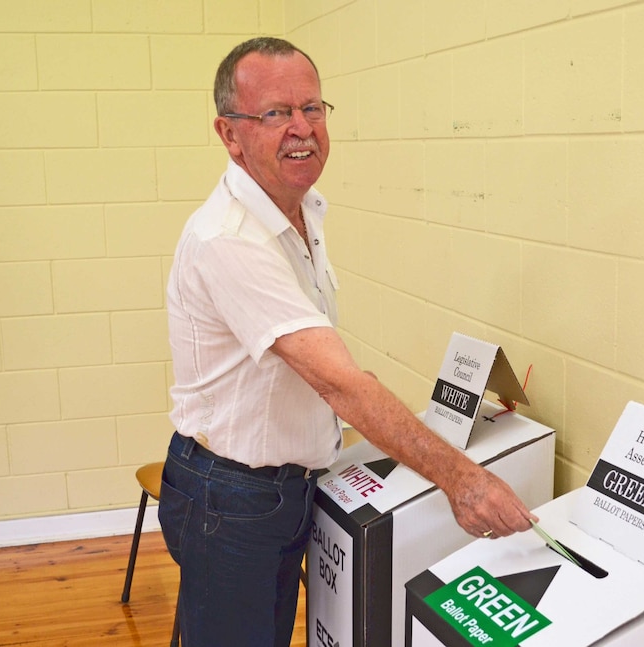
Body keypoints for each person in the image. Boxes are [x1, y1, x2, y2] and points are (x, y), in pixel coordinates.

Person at [158, 36, 538, 647]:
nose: (301, 128)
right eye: (275, 113)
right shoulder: (230, 239)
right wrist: (463, 480)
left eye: (312, 107)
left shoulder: (303, 211)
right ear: (230, 135)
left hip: (281, 489)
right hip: (230, 500)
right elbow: (338, 381)